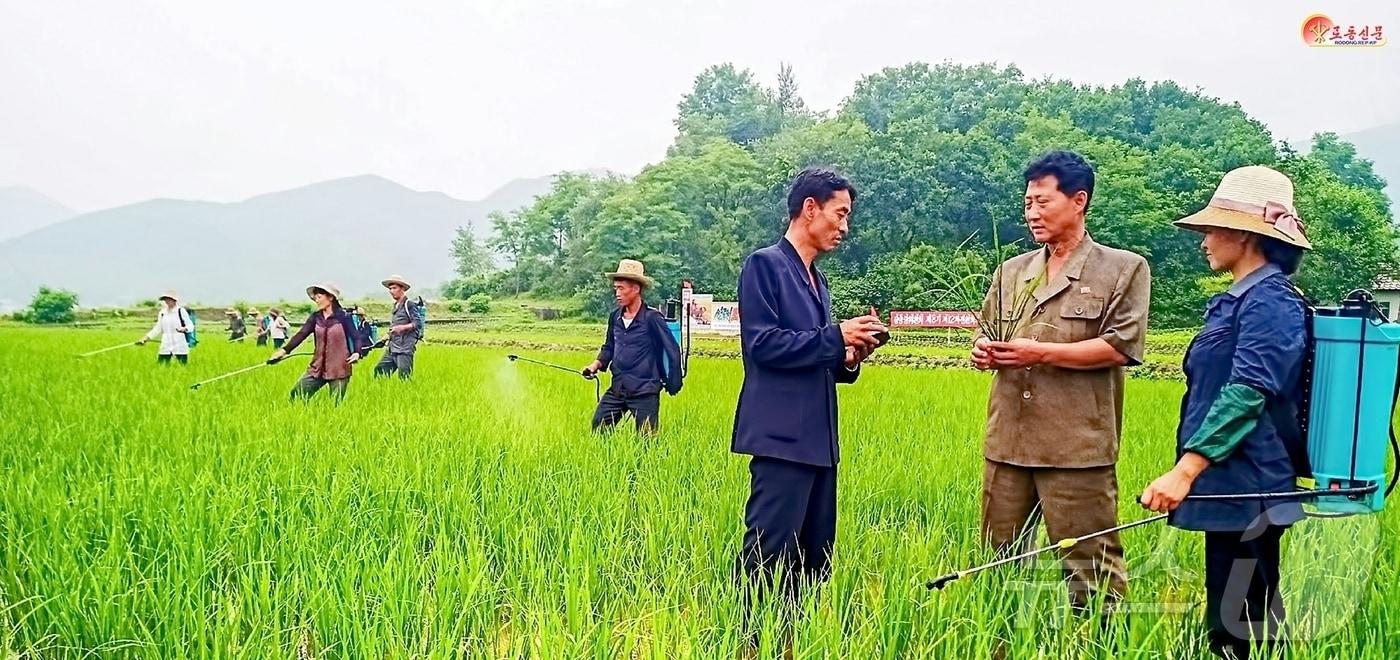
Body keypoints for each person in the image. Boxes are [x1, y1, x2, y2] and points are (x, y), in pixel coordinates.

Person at [1140, 166, 1312, 659]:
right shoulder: (1239, 300)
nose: (1204, 241)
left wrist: (1185, 470)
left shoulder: (1271, 300)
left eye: (1212, 229)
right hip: (1230, 482)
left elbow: (1248, 391)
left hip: (1251, 487)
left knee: (1243, 629)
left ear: (1244, 233)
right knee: (1229, 620)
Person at [969, 150, 1150, 612]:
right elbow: (987, 331)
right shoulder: (1012, 272)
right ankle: (1001, 644)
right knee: (996, 566)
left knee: (1092, 572)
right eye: (1027, 203)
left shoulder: (1122, 269)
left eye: (1042, 202)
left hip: (1075, 449)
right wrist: (984, 352)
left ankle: (1099, 646)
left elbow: (1120, 347)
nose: (1032, 213)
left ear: (1078, 201)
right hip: (1008, 443)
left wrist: (1040, 352)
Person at [732, 168, 886, 617]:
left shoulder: (817, 281)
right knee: (768, 554)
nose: (845, 227)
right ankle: (750, 640)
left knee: (814, 557)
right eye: (840, 214)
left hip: (819, 441)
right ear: (810, 208)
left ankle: (795, 638)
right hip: (781, 440)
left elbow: (814, 353)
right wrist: (836, 337)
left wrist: (849, 355)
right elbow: (762, 346)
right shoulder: (766, 265)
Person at [581, 260, 683, 433]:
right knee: (598, 429)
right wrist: (595, 365)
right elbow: (609, 347)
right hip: (619, 387)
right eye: (616, 289)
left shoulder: (652, 318)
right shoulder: (615, 317)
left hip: (645, 390)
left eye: (621, 288)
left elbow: (672, 349)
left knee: (646, 442)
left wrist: (673, 382)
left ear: (636, 289)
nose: (617, 293)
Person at [268, 283, 363, 401]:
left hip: (339, 368)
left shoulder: (344, 317)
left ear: (330, 297)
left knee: (335, 404)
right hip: (317, 367)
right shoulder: (316, 317)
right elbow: (301, 334)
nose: (316, 300)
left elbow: (356, 337)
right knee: (296, 396)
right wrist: (284, 351)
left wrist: (357, 353)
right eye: (315, 298)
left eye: (319, 297)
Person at [374, 275, 422, 380]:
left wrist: (402, 328)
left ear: (402, 289)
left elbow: (418, 323)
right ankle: (383, 394)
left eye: (394, 288)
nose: (391, 291)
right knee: (380, 371)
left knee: (404, 378)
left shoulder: (409, 304)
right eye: (390, 288)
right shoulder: (395, 305)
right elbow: (394, 327)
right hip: (392, 347)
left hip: (404, 348)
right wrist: (386, 337)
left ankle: (406, 395)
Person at [138, 290, 194, 365]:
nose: (167, 301)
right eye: (165, 299)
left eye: (168, 299)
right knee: (161, 367)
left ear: (174, 300)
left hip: (180, 344)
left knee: (182, 367)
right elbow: (157, 328)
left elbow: (190, 325)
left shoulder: (181, 311)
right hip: (166, 344)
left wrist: (184, 329)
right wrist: (146, 338)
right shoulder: (162, 313)